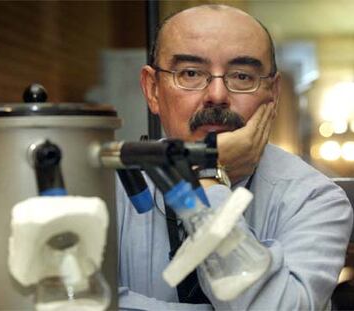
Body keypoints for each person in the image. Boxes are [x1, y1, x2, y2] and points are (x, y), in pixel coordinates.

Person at [117, 4, 353, 310]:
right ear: (152, 90)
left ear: (273, 93)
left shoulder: (315, 199)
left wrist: (209, 176)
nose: (217, 94)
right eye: (191, 73)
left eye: (242, 76)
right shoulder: (110, 185)